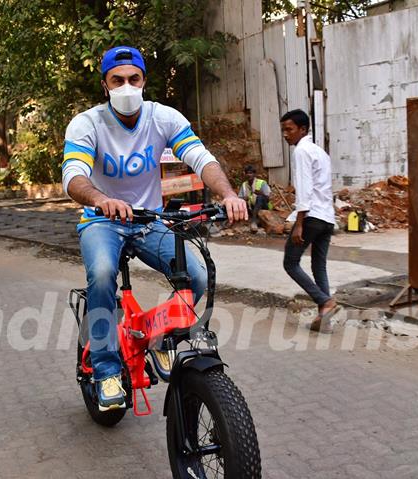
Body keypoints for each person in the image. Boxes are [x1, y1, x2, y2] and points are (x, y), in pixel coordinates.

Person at [62, 46, 247, 411]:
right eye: (118, 80)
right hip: (103, 219)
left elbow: (200, 158)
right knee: (101, 275)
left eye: (134, 79)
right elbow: (73, 176)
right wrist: (101, 200)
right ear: (105, 86)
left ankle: (161, 339)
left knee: (196, 276)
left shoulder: (163, 118)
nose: (127, 86)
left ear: (144, 81)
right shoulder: (88, 123)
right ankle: (106, 370)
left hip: (150, 221)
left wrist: (227, 194)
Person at [280, 109, 339, 333]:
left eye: (290, 129)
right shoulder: (320, 152)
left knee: (290, 263)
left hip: (311, 216)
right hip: (327, 218)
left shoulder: (302, 151)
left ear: (303, 129)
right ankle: (325, 317)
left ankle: (325, 302)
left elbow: (304, 189)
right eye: (283, 130)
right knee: (318, 266)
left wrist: (299, 223)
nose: (286, 134)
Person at [238, 164, 271, 230]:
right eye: (247, 173)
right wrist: (244, 199)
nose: (249, 175)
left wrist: (261, 193)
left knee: (260, 197)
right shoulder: (244, 185)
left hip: (263, 207)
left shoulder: (262, 183)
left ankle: (254, 221)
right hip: (251, 207)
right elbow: (239, 198)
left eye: (251, 173)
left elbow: (268, 198)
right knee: (240, 201)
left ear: (254, 174)